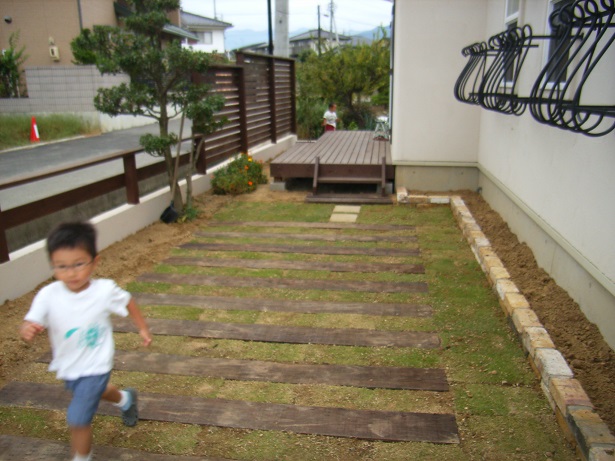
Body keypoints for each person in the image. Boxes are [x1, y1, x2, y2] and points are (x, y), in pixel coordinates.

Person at [20, 221, 152, 461]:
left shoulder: (103, 290)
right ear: (52, 265)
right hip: (69, 366)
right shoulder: (48, 295)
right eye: (62, 266)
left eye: (79, 264)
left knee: (78, 418)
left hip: (97, 364)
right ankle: (126, 399)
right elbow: (30, 320)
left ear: (95, 261)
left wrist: (142, 328)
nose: (71, 273)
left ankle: (82, 457)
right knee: (97, 392)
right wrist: (28, 329)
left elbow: (128, 301)